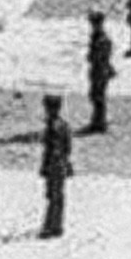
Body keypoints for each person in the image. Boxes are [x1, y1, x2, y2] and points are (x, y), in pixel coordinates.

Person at [39, 93, 73, 239]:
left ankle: (50, 227)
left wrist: (44, 166)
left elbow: (49, 149)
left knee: (52, 195)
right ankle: (57, 225)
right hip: (61, 163)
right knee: (58, 195)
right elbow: (68, 147)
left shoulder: (51, 126)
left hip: (54, 163)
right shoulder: (65, 125)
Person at [83, 11, 116, 135]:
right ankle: (98, 121)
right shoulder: (97, 36)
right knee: (96, 96)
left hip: (99, 70)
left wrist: (92, 57)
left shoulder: (101, 39)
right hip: (99, 69)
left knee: (98, 96)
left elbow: (99, 56)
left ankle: (99, 123)